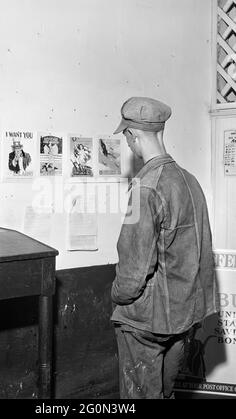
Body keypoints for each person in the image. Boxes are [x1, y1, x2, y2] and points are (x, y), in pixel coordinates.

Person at [111, 97, 219, 399]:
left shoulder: (145, 188)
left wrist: (117, 295)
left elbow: (133, 271)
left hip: (147, 321)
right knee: (166, 394)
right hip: (185, 316)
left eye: (127, 137)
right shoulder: (190, 181)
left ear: (132, 135)